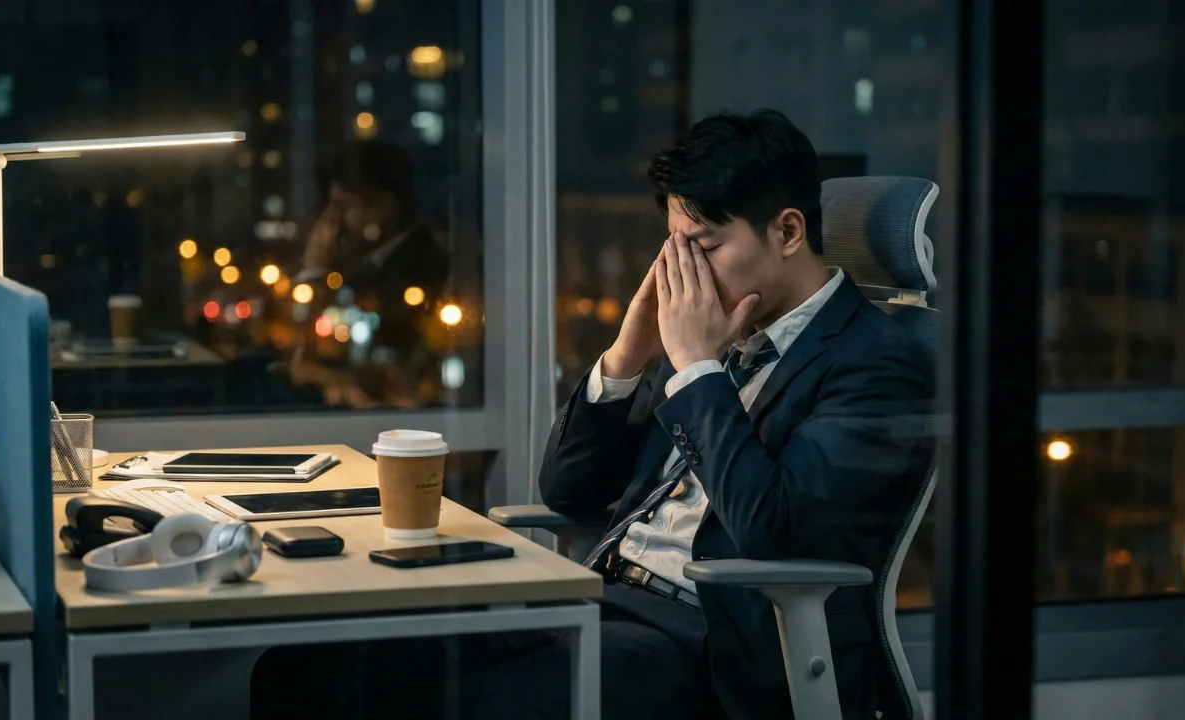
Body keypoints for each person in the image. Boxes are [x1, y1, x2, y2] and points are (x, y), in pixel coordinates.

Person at [250, 109, 929, 720]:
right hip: (597, 600)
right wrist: (629, 354)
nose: (681, 271)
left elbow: (775, 529)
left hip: (706, 641)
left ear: (786, 231)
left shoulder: (874, 360)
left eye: (706, 244)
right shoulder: (721, 327)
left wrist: (693, 369)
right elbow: (569, 490)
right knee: (308, 671)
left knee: (469, 707)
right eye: (675, 245)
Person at [287, 139, 450, 408]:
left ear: (383, 207)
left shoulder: (412, 273)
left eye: (343, 206)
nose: (332, 221)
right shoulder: (368, 268)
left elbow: (384, 372)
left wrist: (315, 272)